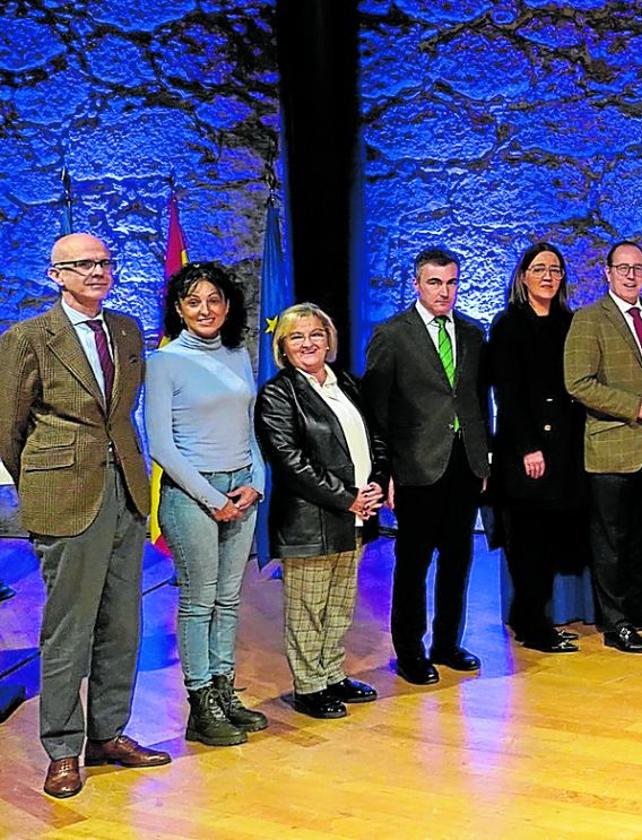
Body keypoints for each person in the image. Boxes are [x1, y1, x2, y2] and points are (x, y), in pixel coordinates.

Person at [0, 233, 167, 798]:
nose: (98, 271)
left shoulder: (124, 329)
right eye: (83, 265)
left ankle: (108, 734)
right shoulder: (27, 338)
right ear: (56, 275)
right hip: (66, 497)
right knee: (68, 628)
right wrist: (43, 484)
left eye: (104, 262)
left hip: (125, 492)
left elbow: (124, 409)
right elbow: (8, 430)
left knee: (123, 622)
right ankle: (64, 748)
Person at [146, 262, 270, 747]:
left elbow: (249, 427)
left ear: (227, 306)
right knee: (198, 602)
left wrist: (256, 483)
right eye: (194, 301)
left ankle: (224, 690)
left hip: (243, 488)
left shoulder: (238, 353)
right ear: (178, 308)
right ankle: (200, 704)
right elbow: (161, 444)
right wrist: (213, 498)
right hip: (192, 495)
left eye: (214, 300)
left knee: (228, 598)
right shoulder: (165, 362)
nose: (205, 309)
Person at [254, 303, 388, 722]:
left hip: (358, 513)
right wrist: (346, 496)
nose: (308, 343)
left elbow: (375, 438)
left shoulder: (346, 382)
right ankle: (309, 687)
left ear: (329, 340)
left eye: (316, 334)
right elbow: (290, 462)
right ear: (283, 347)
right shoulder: (277, 394)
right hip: (310, 518)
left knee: (341, 603)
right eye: (297, 336)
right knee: (307, 608)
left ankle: (332, 674)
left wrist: (377, 483)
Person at [364, 247, 490, 685]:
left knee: (459, 557)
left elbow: (475, 400)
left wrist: (484, 456)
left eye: (452, 282)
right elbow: (376, 411)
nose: (445, 292)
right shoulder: (393, 335)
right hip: (415, 466)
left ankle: (447, 643)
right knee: (413, 562)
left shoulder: (473, 335)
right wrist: (386, 473)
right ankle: (410, 651)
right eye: (435, 283)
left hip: (465, 463)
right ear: (417, 284)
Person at [564, 240, 642, 654]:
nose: (631, 275)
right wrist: (637, 407)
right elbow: (578, 383)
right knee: (610, 541)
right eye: (623, 268)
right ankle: (616, 623)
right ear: (607, 272)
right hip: (611, 447)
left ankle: (641, 608)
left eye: (638, 268)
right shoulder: (589, 319)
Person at [485, 242, 584, 654]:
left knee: (552, 539)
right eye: (540, 269)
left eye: (555, 270)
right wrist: (528, 445)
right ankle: (532, 622)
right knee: (527, 541)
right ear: (522, 276)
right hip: (525, 450)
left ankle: (535, 619)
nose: (548, 276)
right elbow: (506, 392)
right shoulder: (508, 324)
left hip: (564, 447)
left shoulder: (569, 321)